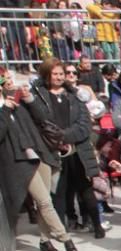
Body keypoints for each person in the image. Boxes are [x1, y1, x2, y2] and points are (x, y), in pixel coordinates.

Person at [0, 82, 79, 251]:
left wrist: (29, 98)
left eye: (6, 82)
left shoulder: (17, 102)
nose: (7, 85)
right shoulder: (5, 108)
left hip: (40, 153)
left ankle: (45, 241)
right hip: (18, 161)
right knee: (44, 201)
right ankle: (66, 239)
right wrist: (4, 110)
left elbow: (43, 118)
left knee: (44, 200)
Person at [31, 58, 103, 238]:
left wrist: (65, 136)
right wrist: (57, 139)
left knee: (85, 189)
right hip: (55, 151)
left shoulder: (74, 95)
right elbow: (41, 123)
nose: (59, 77)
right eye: (54, 74)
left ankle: (97, 224)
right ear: (47, 76)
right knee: (59, 192)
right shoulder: (40, 96)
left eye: (61, 74)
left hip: (78, 151)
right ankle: (60, 229)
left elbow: (84, 124)